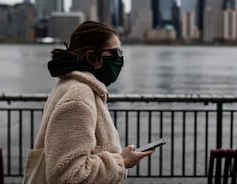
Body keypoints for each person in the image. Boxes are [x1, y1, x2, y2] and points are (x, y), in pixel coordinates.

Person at [31, 21, 154, 183]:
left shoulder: (71, 86)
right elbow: (67, 175)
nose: (120, 59)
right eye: (116, 53)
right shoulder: (79, 98)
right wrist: (121, 162)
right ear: (92, 57)